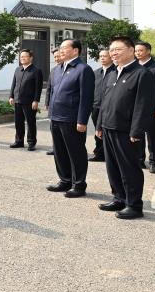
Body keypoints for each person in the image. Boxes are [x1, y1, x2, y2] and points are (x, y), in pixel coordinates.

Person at [96, 36, 155, 220]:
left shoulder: (141, 73)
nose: (113, 53)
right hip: (108, 127)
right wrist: (99, 124)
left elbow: (144, 105)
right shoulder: (113, 73)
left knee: (129, 168)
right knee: (112, 167)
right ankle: (119, 198)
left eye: (118, 49)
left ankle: (134, 205)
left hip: (127, 131)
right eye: (112, 49)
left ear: (131, 50)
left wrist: (137, 131)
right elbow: (104, 102)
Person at [46, 39, 94, 198]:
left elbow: (86, 97)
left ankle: (79, 185)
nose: (61, 51)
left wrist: (82, 120)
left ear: (75, 51)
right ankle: (65, 180)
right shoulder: (57, 69)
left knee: (76, 152)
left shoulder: (83, 69)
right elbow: (52, 92)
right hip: (56, 117)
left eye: (65, 48)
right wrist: (51, 114)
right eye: (60, 48)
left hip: (72, 119)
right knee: (59, 152)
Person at [133, 41, 155, 174]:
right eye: (136, 51)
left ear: (148, 51)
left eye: (140, 50)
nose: (138, 53)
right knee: (137, 134)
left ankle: (154, 162)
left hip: (151, 108)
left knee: (152, 136)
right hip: (136, 108)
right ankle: (140, 159)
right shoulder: (134, 67)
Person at [8, 49, 43, 150]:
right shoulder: (17, 69)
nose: (22, 58)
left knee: (31, 123)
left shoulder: (36, 71)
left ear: (30, 58)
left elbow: (38, 87)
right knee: (18, 122)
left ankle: (31, 142)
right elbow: (13, 84)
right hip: (18, 101)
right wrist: (11, 96)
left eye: (25, 56)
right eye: (21, 57)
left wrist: (36, 100)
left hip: (29, 102)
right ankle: (19, 141)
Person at [89, 48, 116, 162]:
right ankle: (99, 154)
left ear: (110, 57)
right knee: (98, 132)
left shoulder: (115, 71)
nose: (102, 58)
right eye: (100, 56)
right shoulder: (96, 73)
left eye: (105, 56)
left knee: (109, 132)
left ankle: (111, 155)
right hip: (96, 107)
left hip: (109, 107)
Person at [44, 49, 63, 156]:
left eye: (58, 56)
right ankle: (55, 148)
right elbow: (49, 88)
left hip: (64, 107)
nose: (56, 59)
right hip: (53, 105)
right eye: (55, 57)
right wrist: (47, 102)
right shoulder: (53, 70)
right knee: (53, 128)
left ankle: (62, 149)